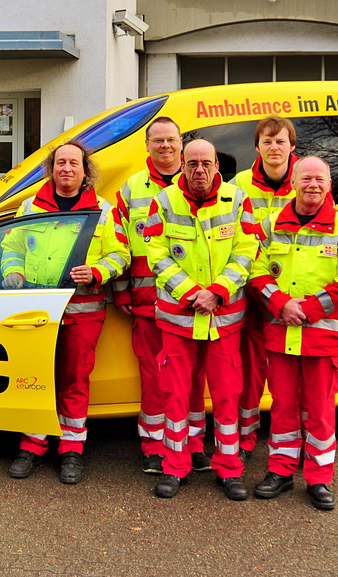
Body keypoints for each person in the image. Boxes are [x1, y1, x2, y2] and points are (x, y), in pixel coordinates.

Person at [4, 141, 129, 485]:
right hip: (36, 311)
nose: (67, 169)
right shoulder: (30, 206)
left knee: (75, 381)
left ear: (85, 171)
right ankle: (32, 445)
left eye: (74, 163)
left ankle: (71, 449)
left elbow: (120, 256)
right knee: (35, 380)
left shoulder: (104, 210)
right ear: (51, 168)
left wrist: (98, 272)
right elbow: (10, 247)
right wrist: (12, 271)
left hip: (83, 310)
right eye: (61, 163)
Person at [142, 138, 259, 500]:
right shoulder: (163, 202)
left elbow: (247, 250)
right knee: (175, 396)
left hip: (224, 318)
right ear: (181, 163)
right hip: (179, 318)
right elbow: (156, 254)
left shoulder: (237, 200)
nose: (199, 171)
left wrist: (218, 292)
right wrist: (192, 293)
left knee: (227, 396)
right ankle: (175, 467)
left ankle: (229, 468)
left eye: (205, 163)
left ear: (216, 167)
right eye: (191, 163)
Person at [248, 156, 338, 511]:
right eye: (306, 178)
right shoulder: (270, 225)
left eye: (320, 179)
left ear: (329, 185)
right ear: (294, 182)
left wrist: (308, 309)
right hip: (282, 334)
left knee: (319, 409)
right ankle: (280, 471)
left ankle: (319, 479)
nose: (313, 184)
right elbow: (255, 270)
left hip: (321, 337)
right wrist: (282, 303)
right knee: (282, 407)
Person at [113, 117, 211, 476]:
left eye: (171, 140)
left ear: (181, 145)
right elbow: (120, 245)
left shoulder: (201, 184)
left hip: (192, 304)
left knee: (194, 376)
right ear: (147, 145)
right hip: (145, 302)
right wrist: (120, 291)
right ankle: (155, 445)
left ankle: (194, 443)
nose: (165, 146)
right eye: (158, 140)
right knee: (154, 377)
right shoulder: (132, 189)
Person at [232, 115, 300, 461]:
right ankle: (245, 440)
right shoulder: (241, 183)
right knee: (251, 373)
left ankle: (290, 445)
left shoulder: (307, 180)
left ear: (292, 145)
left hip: (292, 295)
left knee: (290, 376)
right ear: (257, 147)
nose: (275, 148)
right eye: (268, 142)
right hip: (252, 292)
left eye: (281, 141)